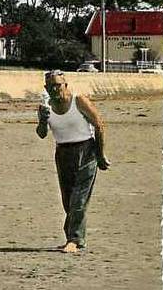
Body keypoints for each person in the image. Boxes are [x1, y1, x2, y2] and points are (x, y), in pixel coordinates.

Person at [37, 70, 111, 253]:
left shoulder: (78, 101)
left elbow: (99, 124)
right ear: (46, 88)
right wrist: (42, 121)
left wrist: (101, 154)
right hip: (63, 153)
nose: (55, 89)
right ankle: (76, 237)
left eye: (58, 85)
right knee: (68, 199)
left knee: (79, 199)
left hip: (86, 151)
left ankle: (74, 239)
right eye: (51, 86)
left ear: (65, 85)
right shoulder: (46, 106)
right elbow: (41, 133)